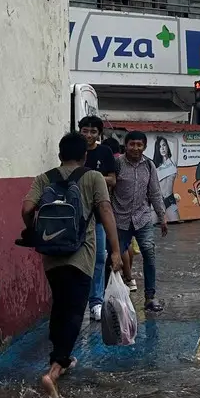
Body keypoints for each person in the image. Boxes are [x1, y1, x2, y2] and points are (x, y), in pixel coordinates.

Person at [22, 132, 122, 398]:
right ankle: (54, 369)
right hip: (82, 255)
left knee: (60, 304)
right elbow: (105, 211)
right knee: (76, 309)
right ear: (85, 155)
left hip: (52, 255)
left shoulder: (45, 178)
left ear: (59, 155)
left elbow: (27, 207)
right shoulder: (93, 177)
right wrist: (115, 250)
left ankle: (60, 357)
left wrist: (33, 231)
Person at [112, 131, 169, 311]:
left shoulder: (149, 166)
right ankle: (111, 298)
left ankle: (150, 298)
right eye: (132, 144)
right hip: (119, 218)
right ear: (126, 145)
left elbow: (154, 192)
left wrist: (162, 217)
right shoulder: (117, 164)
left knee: (149, 254)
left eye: (139, 144)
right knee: (113, 260)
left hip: (142, 218)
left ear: (144, 146)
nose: (135, 148)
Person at [78, 115, 118, 322]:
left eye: (93, 132)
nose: (89, 135)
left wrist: (94, 177)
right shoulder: (74, 149)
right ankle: (78, 301)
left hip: (100, 215)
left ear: (99, 134)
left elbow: (113, 179)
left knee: (100, 258)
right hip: (77, 215)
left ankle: (96, 302)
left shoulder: (105, 152)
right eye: (85, 130)